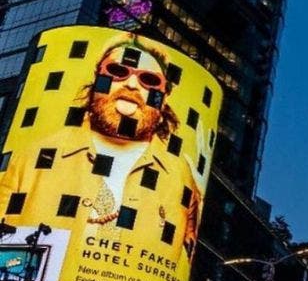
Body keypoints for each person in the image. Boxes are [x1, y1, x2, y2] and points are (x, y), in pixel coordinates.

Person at [0, 34, 201, 266]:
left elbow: (185, 258)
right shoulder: (32, 155)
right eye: (117, 71)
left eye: (149, 80)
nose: (132, 84)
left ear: (163, 98)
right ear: (97, 79)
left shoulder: (182, 178)